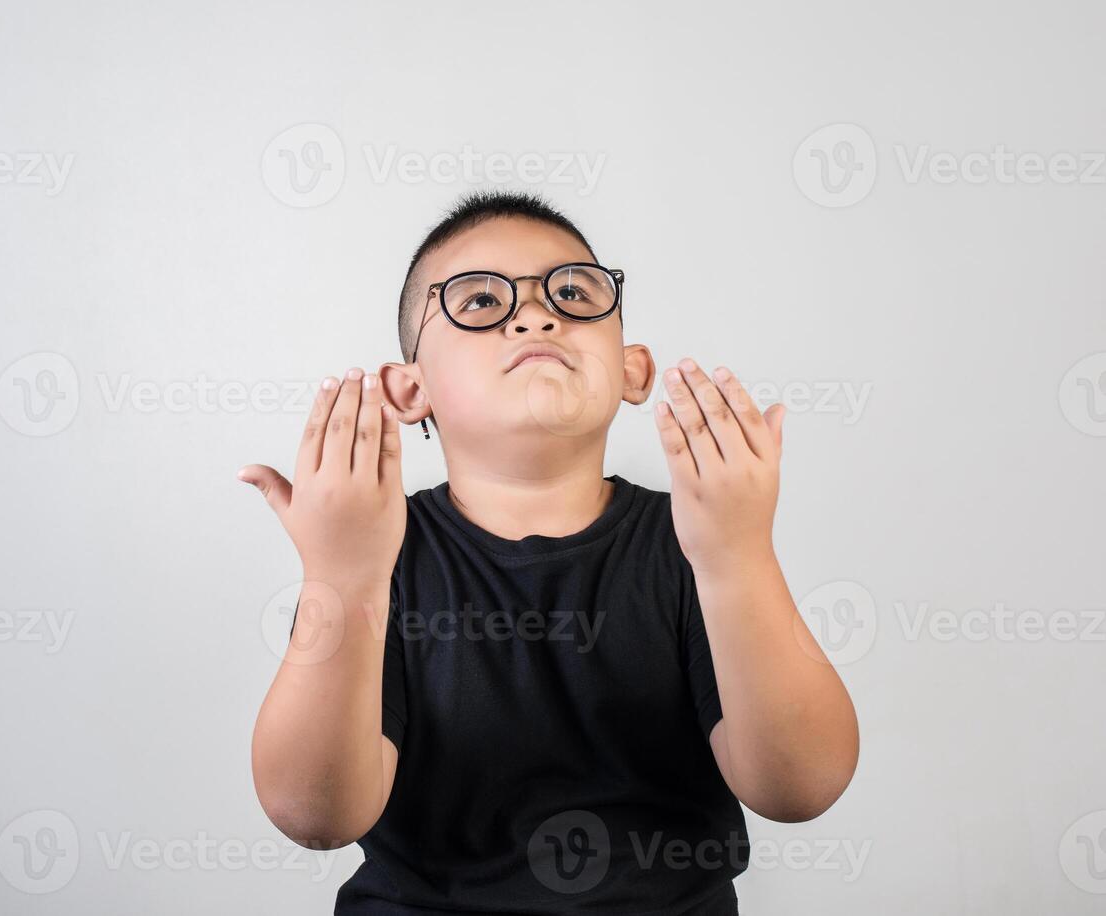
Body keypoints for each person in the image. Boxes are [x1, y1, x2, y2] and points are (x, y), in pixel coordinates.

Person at [240, 191, 859, 914]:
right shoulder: (376, 557)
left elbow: (799, 789)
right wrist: (339, 578)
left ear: (633, 371)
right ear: (410, 388)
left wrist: (738, 555)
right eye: (477, 303)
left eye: (571, 292)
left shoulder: (697, 542)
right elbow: (313, 816)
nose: (535, 315)